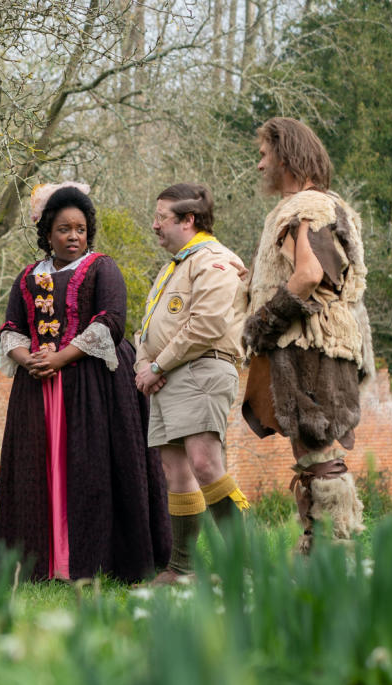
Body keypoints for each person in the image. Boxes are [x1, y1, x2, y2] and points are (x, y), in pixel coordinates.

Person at [0, 183, 170, 584]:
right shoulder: (27, 277)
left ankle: (95, 563)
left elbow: (110, 320)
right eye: (63, 229)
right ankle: (42, 565)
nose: (73, 236)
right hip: (38, 391)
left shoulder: (102, 268)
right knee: (36, 474)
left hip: (95, 389)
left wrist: (60, 357)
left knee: (93, 472)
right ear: (47, 233)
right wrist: (30, 360)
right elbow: (9, 328)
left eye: (80, 228)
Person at [241, 117, 374, 554]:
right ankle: (323, 549)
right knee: (312, 452)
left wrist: (262, 322)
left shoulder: (307, 207)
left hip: (310, 345)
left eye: (264, 155)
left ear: (286, 156)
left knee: (317, 451)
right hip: (314, 344)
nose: (260, 166)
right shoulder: (319, 205)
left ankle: (334, 552)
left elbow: (309, 274)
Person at [133, 183, 251, 585]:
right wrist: (144, 362)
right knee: (176, 472)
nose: (154, 225)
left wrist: (157, 364)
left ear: (189, 220)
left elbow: (207, 324)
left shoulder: (214, 260)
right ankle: (182, 569)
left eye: (161, 217)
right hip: (168, 377)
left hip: (201, 369)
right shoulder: (175, 266)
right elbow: (148, 329)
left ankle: (249, 566)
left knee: (204, 463)